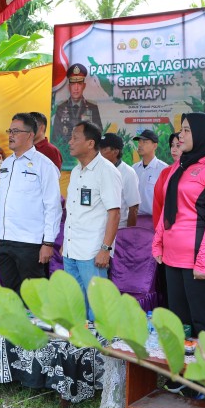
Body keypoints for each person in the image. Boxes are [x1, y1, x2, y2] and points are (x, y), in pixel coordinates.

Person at [153, 113, 205, 339]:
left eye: (187, 130)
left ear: (203, 134)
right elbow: (169, 206)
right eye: (181, 129)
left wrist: (203, 261)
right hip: (172, 257)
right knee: (179, 321)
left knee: (204, 322)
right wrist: (158, 242)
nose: (180, 135)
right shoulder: (181, 164)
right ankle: (180, 373)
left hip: (199, 260)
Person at [0, 113, 62, 295]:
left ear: (30, 135)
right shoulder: (6, 163)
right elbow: (0, 201)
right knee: (10, 294)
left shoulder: (44, 165)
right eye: (10, 131)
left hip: (30, 242)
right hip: (6, 240)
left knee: (34, 298)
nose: (10, 135)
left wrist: (48, 243)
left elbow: (52, 206)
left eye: (16, 131)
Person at [63, 122, 121, 321]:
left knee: (97, 309)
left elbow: (114, 213)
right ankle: (79, 350)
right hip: (71, 250)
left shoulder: (106, 171)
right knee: (75, 306)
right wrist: (66, 244)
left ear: (90, 143)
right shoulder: (76, 171)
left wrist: (105, 249)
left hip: (93, 252)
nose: (70, 142)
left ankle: (99, 351)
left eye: (75, 138)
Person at [52, 63, 102, 144]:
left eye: (79, 83)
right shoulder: (61, 107)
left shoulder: (93, 107)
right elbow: (55, 137)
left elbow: (99, 134)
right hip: (66, 151)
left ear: (84, 86)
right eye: (73, 84)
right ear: (69, 87)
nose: (76, 88)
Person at [99, 133, 140, 228]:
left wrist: (128, 235)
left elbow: (133, 208)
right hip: (97, 230)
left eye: (104, 149)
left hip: (118, 230)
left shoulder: (128, 173)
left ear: (115, 152)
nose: (99, 152)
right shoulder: (96, 169)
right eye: (99, 148)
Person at [132, 129, 168, 216]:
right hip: (136, 219)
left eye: (144, 142)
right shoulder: (134, 168)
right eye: (139, 142)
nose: (140, 145)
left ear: (155, 146)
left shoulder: (163, 169)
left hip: (155, 219)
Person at [151, 132, 180, 228]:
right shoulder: (165, 173)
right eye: (172, 145)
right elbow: (157, 205)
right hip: (167, 230)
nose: (174, 149)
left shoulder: (197, 172)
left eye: (178, 146)